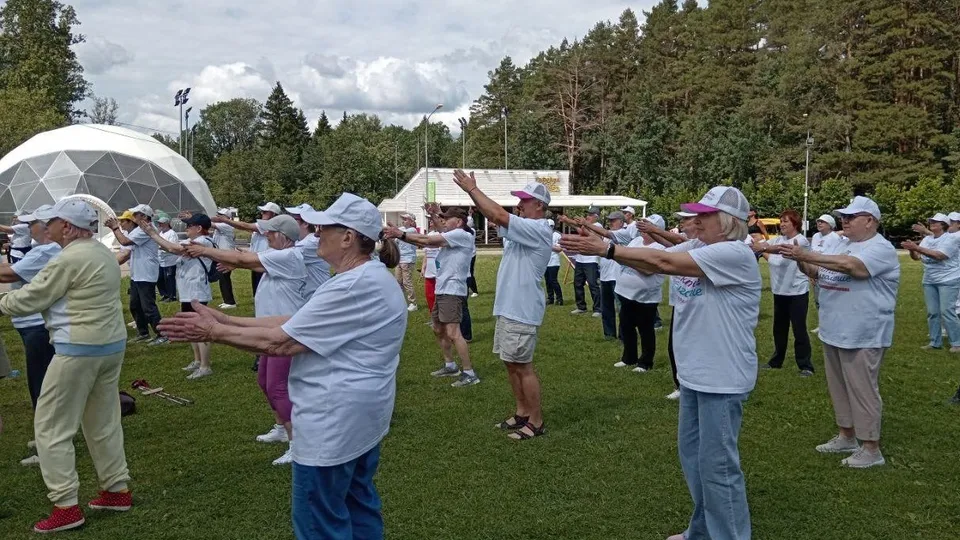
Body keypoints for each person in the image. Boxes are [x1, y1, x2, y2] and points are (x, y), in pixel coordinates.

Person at [158, 192, 406, 539]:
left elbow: (281, 343)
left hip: (333, 423)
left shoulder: (351, 285)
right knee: (356, 504)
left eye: (324, 228)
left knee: (320, 521)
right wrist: (228, 322)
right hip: (360, 417)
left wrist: (213, 331)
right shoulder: (367, 278)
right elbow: (296, 321)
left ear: (348, 237)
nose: (316, 234)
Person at [561, 185, 760, 540]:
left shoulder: (734, 253)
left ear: (727, 222)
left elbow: (663, 262)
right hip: (695, 373)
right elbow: (647, 259)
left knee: (718, 466)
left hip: (722, 375)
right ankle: (701, 531)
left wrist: (606, 248)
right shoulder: (701, 245)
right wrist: (609, 249)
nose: (695, 220)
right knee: (694, 460)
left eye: (705, 215)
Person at [0, 199, 133, 533]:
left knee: (50, 427)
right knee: (103, 421)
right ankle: (116, 490)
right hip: (110, 344)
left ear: (68, 226)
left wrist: (3, 301)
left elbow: (33, 297)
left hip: (78, 348)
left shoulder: (68, 258)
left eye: (53, 221)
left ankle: (65, 506)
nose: (48, 226)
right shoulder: (101, 252)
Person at [781, 195, 900, 469]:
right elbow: (819, 273)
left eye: (851, 217)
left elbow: (853, 268)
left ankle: (871, 448)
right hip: (834, 329)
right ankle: (846, 435)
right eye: (843, 217)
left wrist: (808, 254)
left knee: (862, 389)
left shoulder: (879, 248)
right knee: (839, 387)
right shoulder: (843, 244)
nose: (844, 221)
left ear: (870, 221)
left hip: (863, 331)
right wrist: (799, 260)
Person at [185, 214, 307, 465]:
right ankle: (282, 429)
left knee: (277, 386)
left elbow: (243, 258)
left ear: (284, 236)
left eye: (271, 232)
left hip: (283, 332)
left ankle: (299, 444)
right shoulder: (280, 256)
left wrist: (205, 251)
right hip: (269, 330)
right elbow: (247, 262)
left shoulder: (289, 256)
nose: (267, 235)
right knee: (264, 381)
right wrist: (235, 263)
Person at [452, 172, 553, 440]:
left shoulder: (541, 228)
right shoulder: (525, 228)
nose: (520, 204)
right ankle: (522, 412)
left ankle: (536, 420)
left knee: (524, 366)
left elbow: (498, 216)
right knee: (511, 363)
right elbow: (497, 218)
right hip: (509, 308)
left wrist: (472, 189)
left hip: (521, 309)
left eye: (526, 200)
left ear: (540, 206)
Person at [384, 206, 478, 387]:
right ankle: (450, 365)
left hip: (452, 290)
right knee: (437, 328)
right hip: (442, 290)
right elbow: (439, 231)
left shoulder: (462, 235)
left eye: (446, 218)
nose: (443, 221)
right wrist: (435, 214)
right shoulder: (453, 234)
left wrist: (399, 234)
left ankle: (469, 373)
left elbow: (427, 239)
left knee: (453, 332)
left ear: (458, 222)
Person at [0, 204, 61, 465]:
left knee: (42, 387)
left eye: (31, 223)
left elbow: (7, 274)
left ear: (46, 227)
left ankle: (49, 446)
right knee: (42, 384)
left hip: (38, 325)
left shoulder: (47, 250)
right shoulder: (42, 249)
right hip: (33, 324)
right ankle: (47, 437)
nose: (28, 227)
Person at [137, 213, 217, 379]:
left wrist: (152, 234)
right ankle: (197, 361)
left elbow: (173, 248)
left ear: (199, 228)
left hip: (196, 291)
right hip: (189, 291)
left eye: (189, 226)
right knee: (190, 327)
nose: (186, 229)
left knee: (200, 328)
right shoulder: (196, 241)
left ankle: (205, 365)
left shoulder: (202, 242)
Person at [755, 209, 815, 375]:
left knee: (799, 330)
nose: (782, 224)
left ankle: (805, 366)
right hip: (780, 291)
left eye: (785, 221)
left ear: (795, 224)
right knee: (779, 330)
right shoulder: (779, 239)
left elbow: (780, 249)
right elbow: (770, 252)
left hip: (797, 292)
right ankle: (776, 361)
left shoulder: (800, 241)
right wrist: (757, 245)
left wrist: (761, 247)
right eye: (781, 221)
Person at [610, 215, 666, 373]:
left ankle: (645, 362)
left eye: (648, 226)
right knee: (626, 326)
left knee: (645, 329)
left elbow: (649, 269)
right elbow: (625, 256)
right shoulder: (635, 241)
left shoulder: (660, 247)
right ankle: (629, 358)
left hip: (646, 296)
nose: (643, 228)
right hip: (625, 292)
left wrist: (626, 260)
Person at [105, 204, 166, 346]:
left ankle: (162, 334)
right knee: (135, 305)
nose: (133, 217)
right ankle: (143, 332)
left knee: (148, 307)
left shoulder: (146, 229)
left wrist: (115, 228)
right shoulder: (140, 230)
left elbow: (125, 242)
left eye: (135, 214)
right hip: (138, 274)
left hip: (146, 274)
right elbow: (126, 249)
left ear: (144, 216)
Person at [902, 213, 960, 352]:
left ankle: (957, 343)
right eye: (931, 221)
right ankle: (935, 342)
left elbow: (940, 255)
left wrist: (916, 248)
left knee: (947, 311)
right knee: (933, 312)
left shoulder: (951, 239)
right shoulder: (927, 239)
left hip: (948, 279)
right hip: (929, 280)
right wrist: (911, 250)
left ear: (943, 225)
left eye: (936, 222)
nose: (932, 223)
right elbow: (917, 257)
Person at [211, 201, 281, 296]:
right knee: (257, 292)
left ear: (273, 214)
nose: (262, 213)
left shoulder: (269, 224)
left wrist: (225, 220)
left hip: (264, 261)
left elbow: (244, 226)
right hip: (257, 259)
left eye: (265, 212)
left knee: (263, 293)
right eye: (262, 211)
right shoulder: (264, 224)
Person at [287, 203, 332, 297]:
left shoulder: (311, 243)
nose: (289, 223)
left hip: (316, 297)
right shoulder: (301, 241)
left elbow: (281, 257)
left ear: (306, 223)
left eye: (293, 219)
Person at [809, 214, 841, 333]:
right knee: (818, 300)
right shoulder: (816, 236)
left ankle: (834, 325)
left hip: (829, 274)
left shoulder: (835, 238)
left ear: (830, 225)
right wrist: (811, 273)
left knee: (830, 301)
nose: (819, 224)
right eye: (818, 221)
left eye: (823, 222)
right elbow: (812, 255)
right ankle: (822, 325)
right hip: (815, 274)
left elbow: (834, 257)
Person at [598, 212, 626, 340]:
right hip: (605, 276)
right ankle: (609, 334)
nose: (610, 223)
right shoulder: (606, 236)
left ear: (621, 221)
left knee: (621, 309)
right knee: (606, 307)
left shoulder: (624, 234)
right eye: (609, 221)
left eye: (613, 221)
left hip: (617, 277)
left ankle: (623, 334)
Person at [571, 207, 602, 317]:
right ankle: (581, 307)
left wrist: (575, 223)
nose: (587, 217)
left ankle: (598, 309)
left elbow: (587, 233)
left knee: (593, 284)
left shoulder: (598, 226)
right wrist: (571, 223)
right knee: (577, 283)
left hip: (591, 260)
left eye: (590, 215)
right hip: (580, 258)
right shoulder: (586, 225)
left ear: (596, 216)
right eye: (587, 214)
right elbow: (581, 232)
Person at [211, 208, 238, 309]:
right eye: (218, 214)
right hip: (221, 256)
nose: (218, 216)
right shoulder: (220, 227)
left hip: (226, 256)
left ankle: (230, 302)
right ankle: (227, 300)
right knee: (222, 279)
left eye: (221, 215)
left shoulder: (226, 225)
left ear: (228, 218)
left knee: (224, 279)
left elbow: (210, 224)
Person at [395, 213, 419, 311]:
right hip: (400, 259)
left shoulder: (412, 230)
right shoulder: (401, 229)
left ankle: (413, 303)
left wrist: (395, 231)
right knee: (398, 282)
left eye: (405, 219)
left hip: (408, 259)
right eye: (403, 219)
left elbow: (400, 234)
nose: (403, 220)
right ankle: (400, 302)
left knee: (406, 282)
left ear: (411, 221)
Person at [156, 214, 179, 302]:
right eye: (159, 223)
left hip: (170, 260)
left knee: (169, 278)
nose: (160, 225)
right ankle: (164, 294)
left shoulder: (172, 234)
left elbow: (172, 247)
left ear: (167, 224)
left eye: (161, 223)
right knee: (159, 278)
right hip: (161, 259)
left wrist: (161, 248)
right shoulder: (161, 233)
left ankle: (172, 296)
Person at [421, 222, 440, 315]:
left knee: (438, 294)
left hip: (438, 269)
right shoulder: (428, 235)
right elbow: (426, 254)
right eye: (430, 221)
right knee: (429, 294)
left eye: (433, 221)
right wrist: (423, 267)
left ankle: (439, 314)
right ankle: (432, 314)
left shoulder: (440, 235)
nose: (431, 223)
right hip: (429, 269)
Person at [545, 219, 563, 305]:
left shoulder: (557, 235)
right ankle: (550, 298)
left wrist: (548, 246)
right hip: (545, 262)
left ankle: (559, 298)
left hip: (554, 262)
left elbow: (559, 249)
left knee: (553, 280)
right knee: (547, 281)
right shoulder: (543, 235)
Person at [466, 208, 479, 297]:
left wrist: (470, 216)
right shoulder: (469, 231)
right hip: (468, 254)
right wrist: (470, 214)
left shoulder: (471, 231)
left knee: (469, 272)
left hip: (471, 254)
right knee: (466, 272)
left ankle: (475, 290)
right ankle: (466, 289)